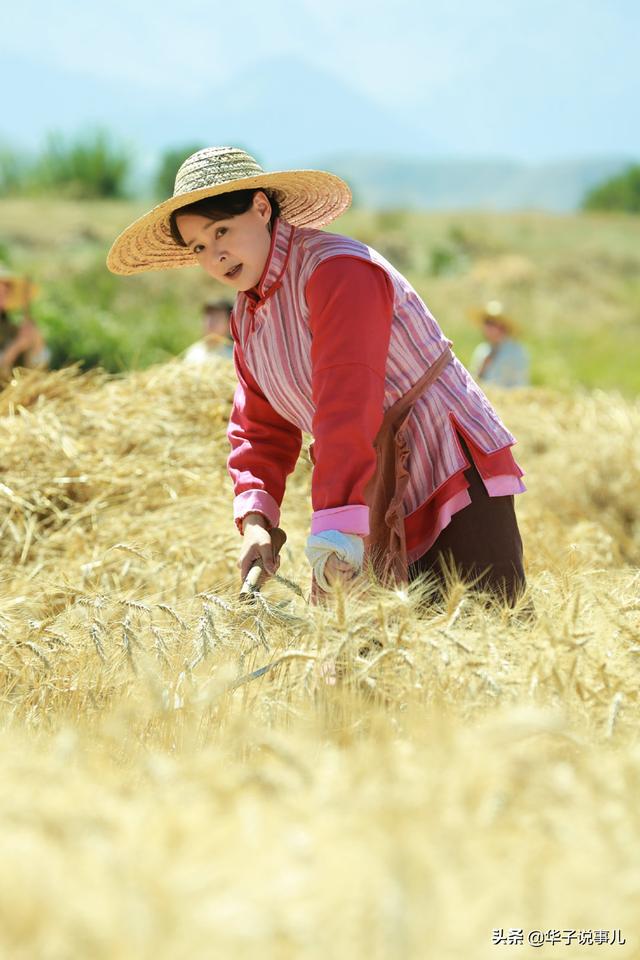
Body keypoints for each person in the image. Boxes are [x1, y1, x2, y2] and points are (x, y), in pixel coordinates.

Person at [107, 147, 527, 604]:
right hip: (363, 473)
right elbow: (259, 429)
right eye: (199, 248)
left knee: (482, 629)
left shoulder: (336, 271)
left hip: (444, 463)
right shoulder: (248, 316)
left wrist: (337, 523)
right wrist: (255, 522)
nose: (215, 256)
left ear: (262, 208)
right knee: (364, 659)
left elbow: (346, 406)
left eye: (222, 231)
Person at [0, 267, 50, 377]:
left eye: (5, 292)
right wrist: (16, 346)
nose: (2, 296)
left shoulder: (10, 329)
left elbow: (36, 367)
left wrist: (37, 342)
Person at [470, 300, 530, 388]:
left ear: (502, 326)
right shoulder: (482, 350)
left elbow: (520, 384)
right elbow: (473, 380)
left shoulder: (516, 351)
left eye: (492, 323)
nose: (487, 327)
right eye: (486, 322)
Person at [183, 299, 234, 365]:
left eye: (217, 318)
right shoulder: (193, 353)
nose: (211, 322)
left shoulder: (233, 357)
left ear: (229, 324)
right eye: (209, 317)